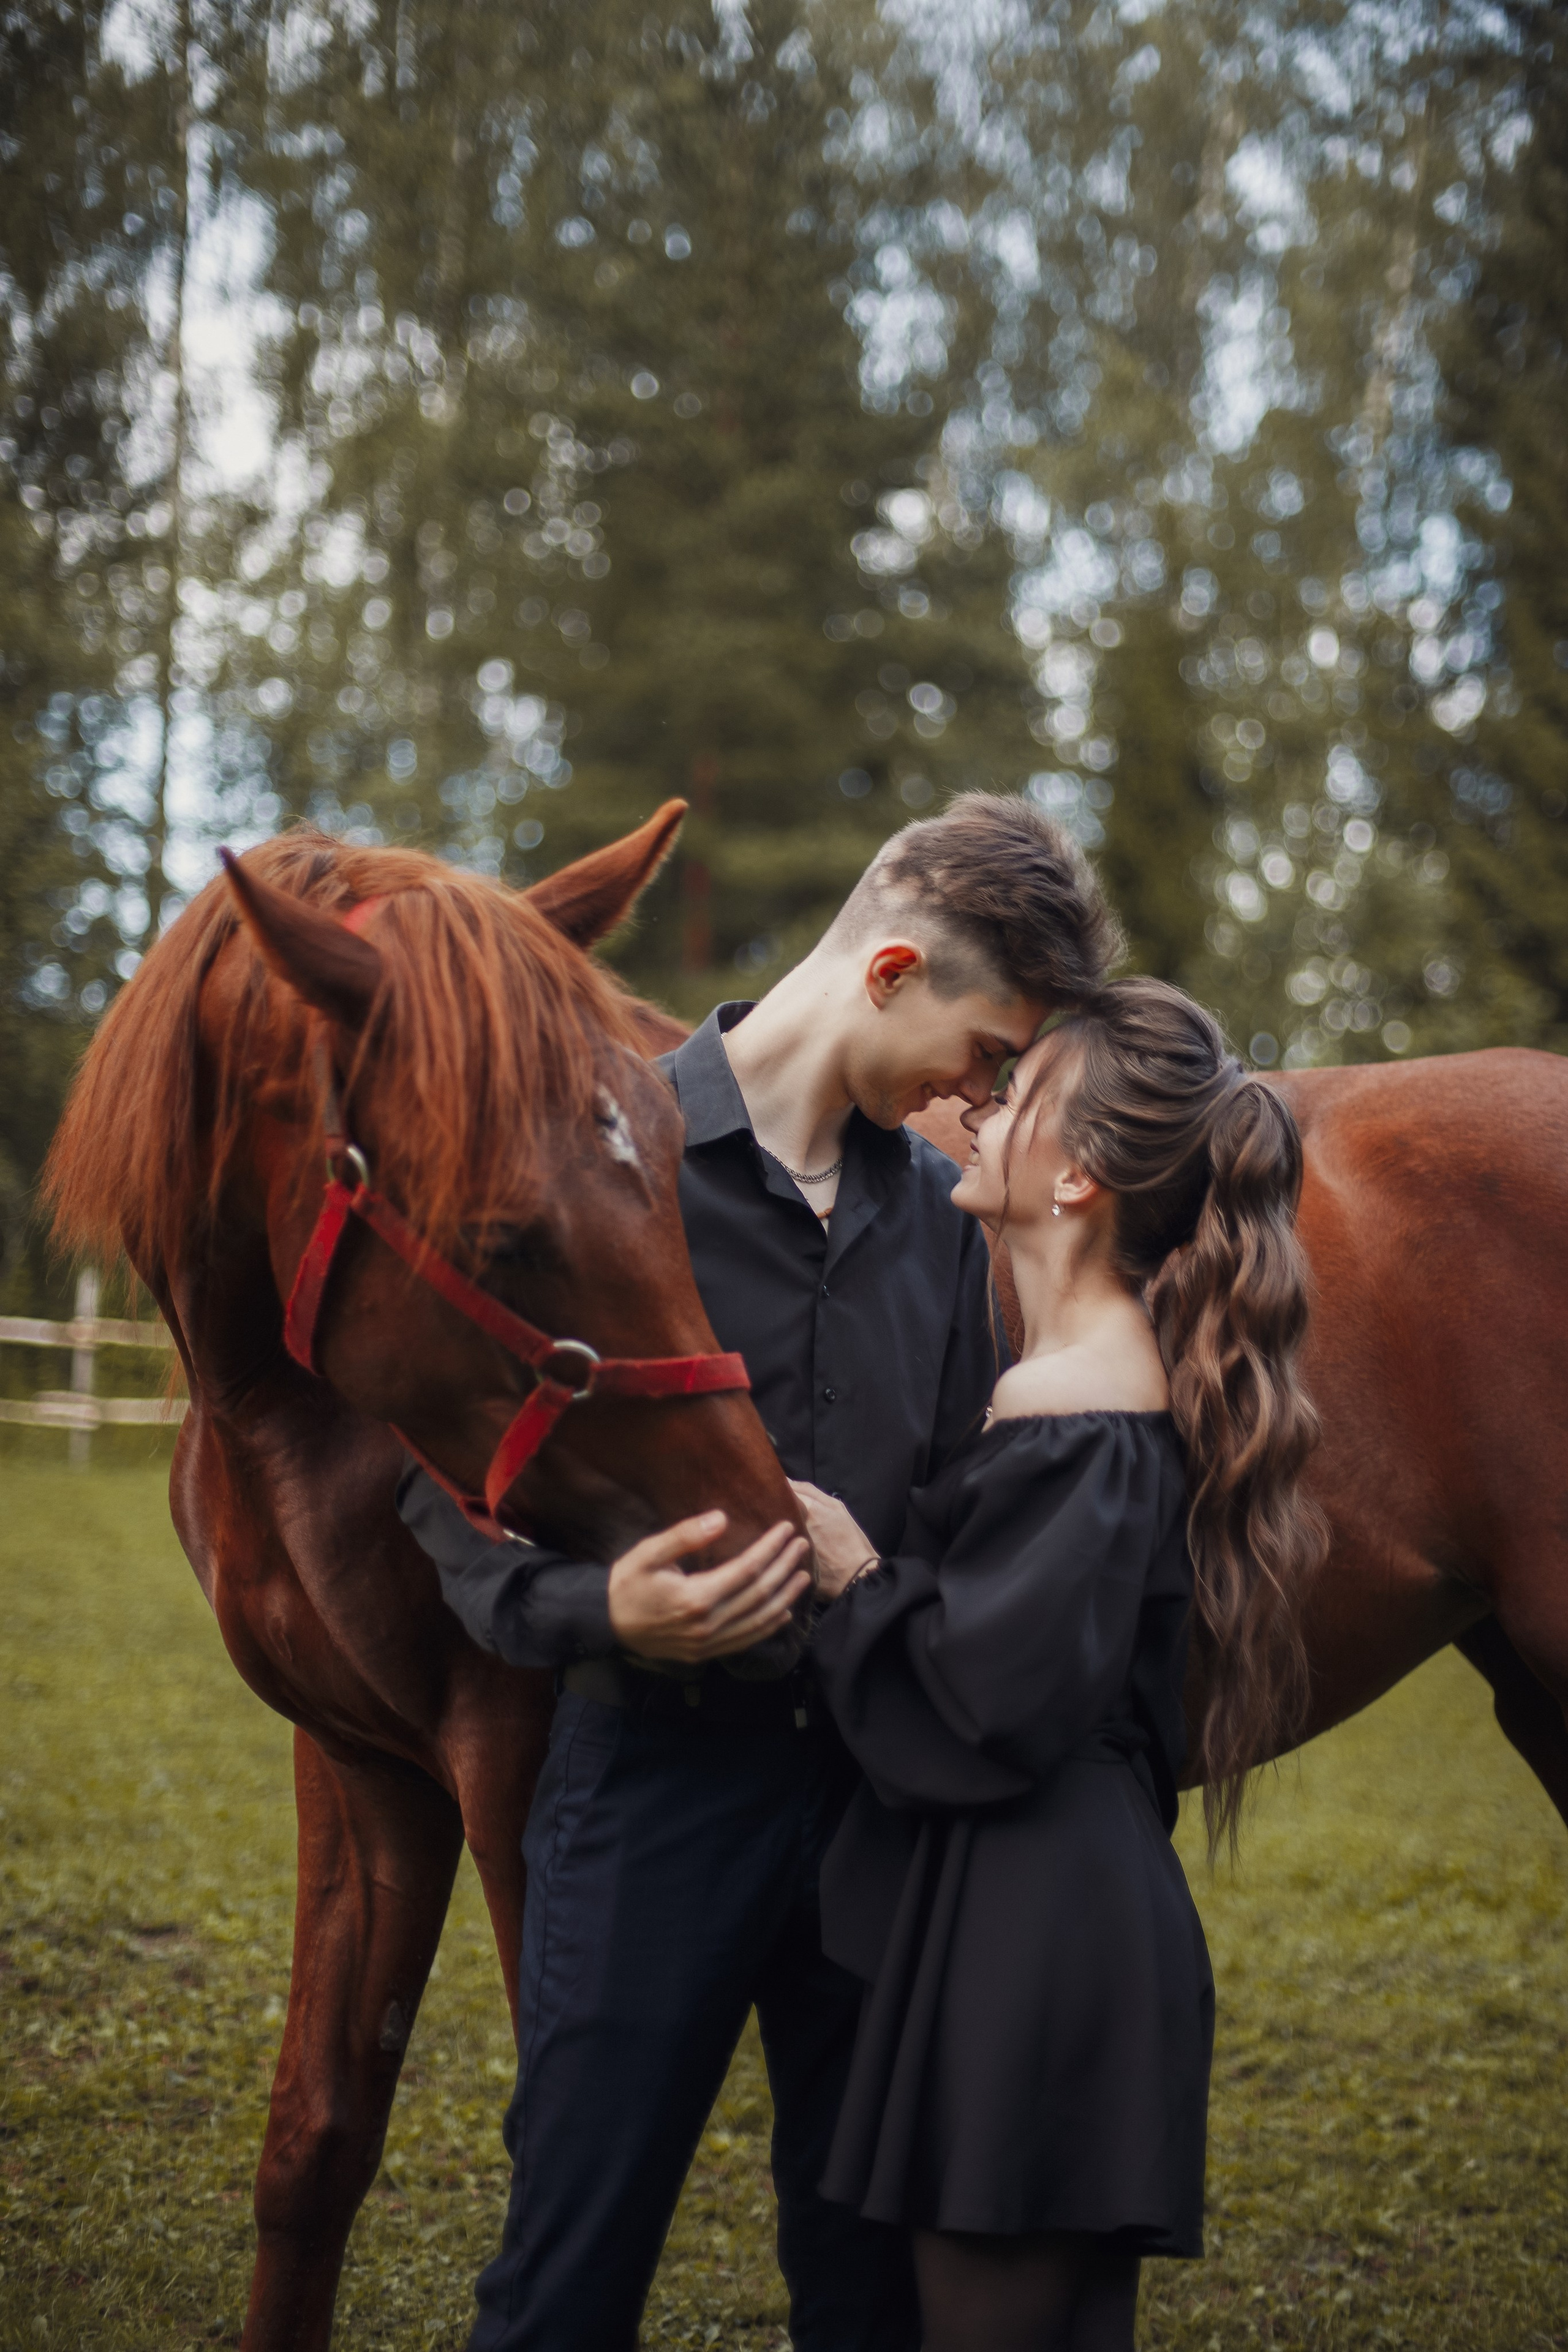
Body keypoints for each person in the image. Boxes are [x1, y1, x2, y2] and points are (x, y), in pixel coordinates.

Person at [396, 794, 1122, 2352]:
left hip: (872, 1821)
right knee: (563, 2283)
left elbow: (942, 1525)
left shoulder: (938, 1223)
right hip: (648, 1798)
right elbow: (444, 1503)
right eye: (988, 1050)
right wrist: (607, 1611)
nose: (986, 1096)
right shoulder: (607, 1151)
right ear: (890, 970)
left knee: (864, 2292)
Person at [794, 977, 1327, 2352]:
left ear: (1077, 1174)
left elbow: (985, 1704)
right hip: (1049, 1923)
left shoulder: (1072, 1398)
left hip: (1032, 1945)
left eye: (1015, 1095)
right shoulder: (1086, 1377)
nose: (980, 1103)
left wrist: (852, 1575)